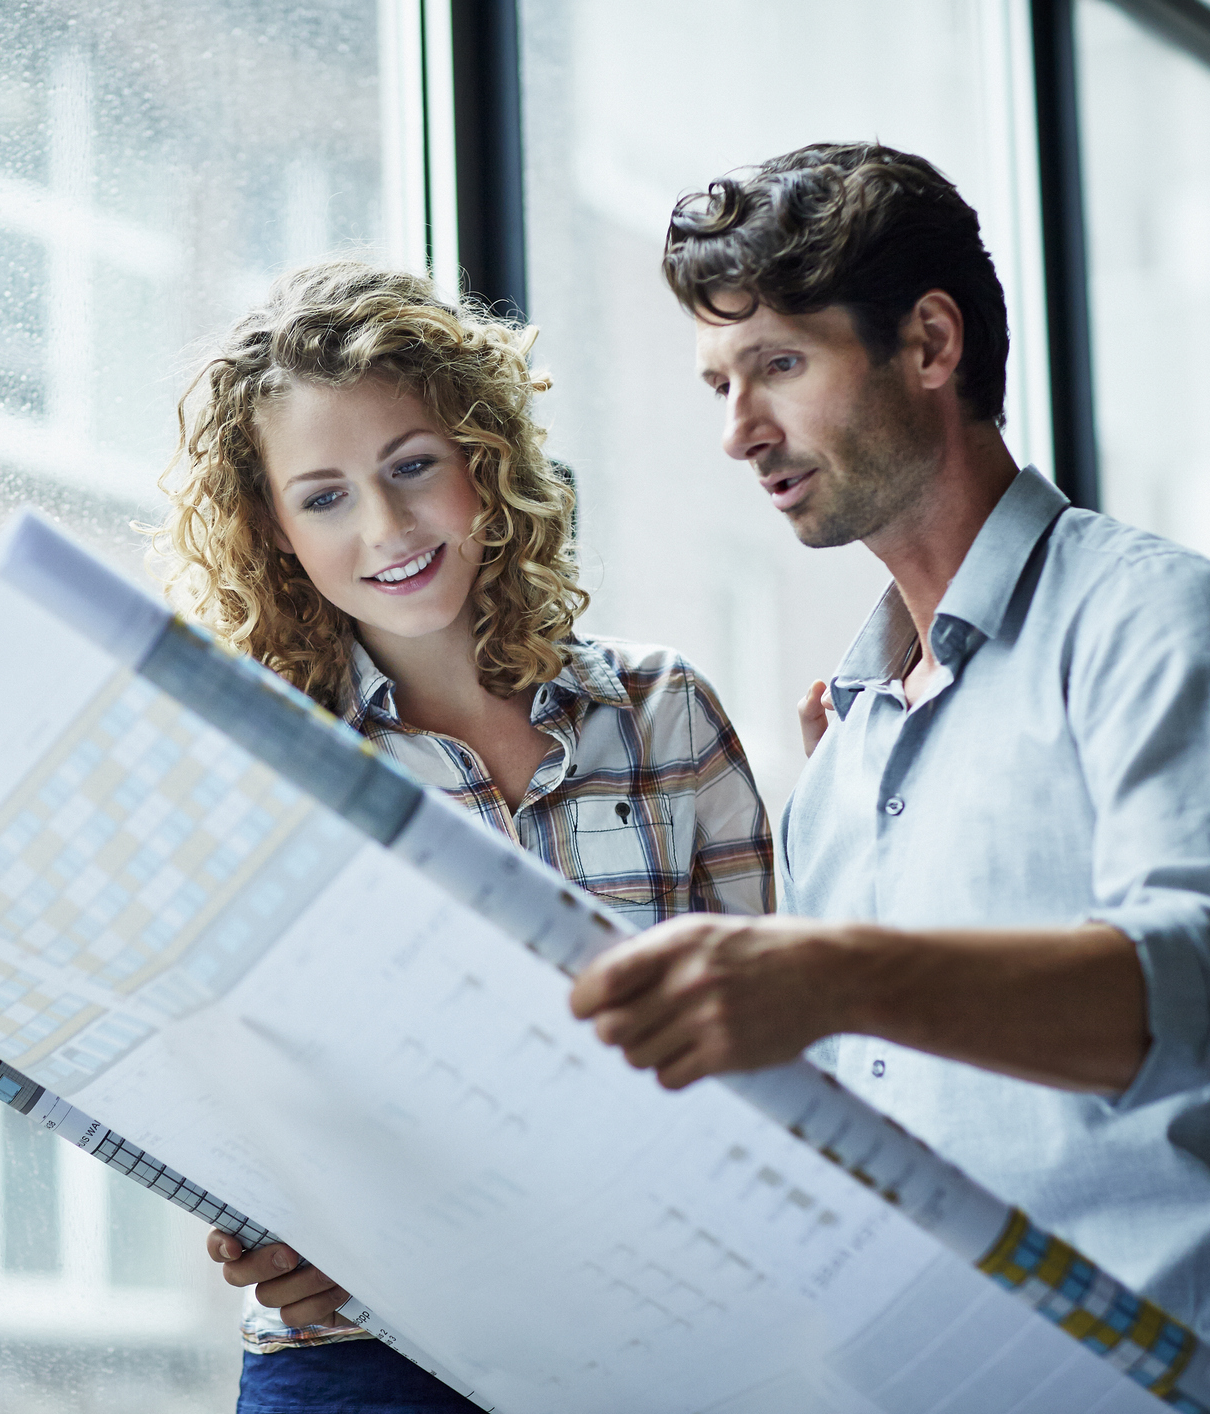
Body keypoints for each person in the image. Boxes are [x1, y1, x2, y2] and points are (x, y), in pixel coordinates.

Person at [568, 143, 1210, 1410]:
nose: (736, 431)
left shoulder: (1152, 620)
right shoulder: (846, 742)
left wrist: (835, 972)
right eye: (719, 381)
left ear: (931, 343)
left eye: (777, 365)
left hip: (1175, 1385)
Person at [157, 260, 774, 1413]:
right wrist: (262, 1220)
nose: (386, 526)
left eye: (412, 467)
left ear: (482, 466)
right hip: (363, 1353)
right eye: (326, 495)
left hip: (655, 1333)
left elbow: (770, 1059)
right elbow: (214, 1090)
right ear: (275, 530)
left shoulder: (662, 715)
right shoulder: (255, 767)